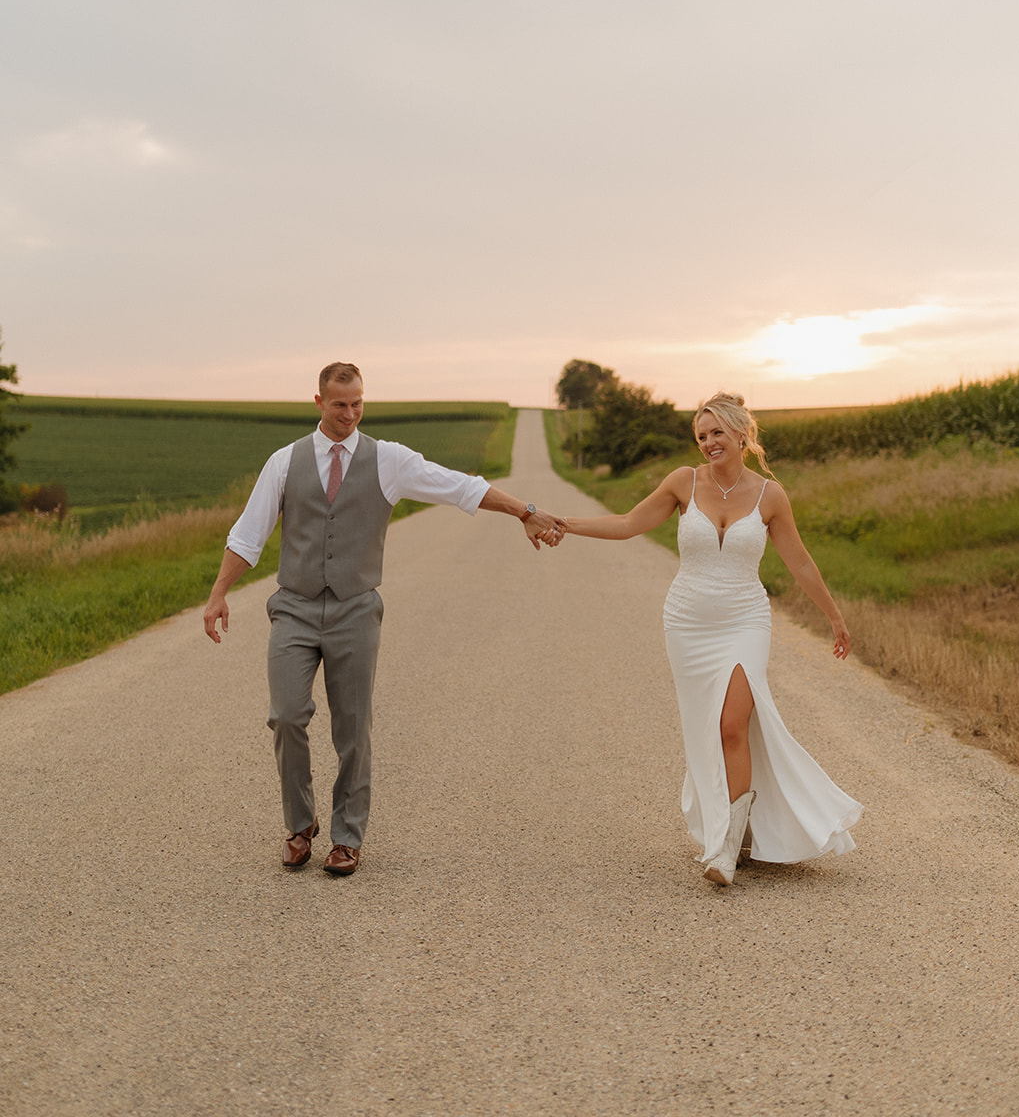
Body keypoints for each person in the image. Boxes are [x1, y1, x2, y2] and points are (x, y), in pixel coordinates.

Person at [203, 363, 565, 875]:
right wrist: (218, 592)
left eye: (358, 403)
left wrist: (523, 511)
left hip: (355, 609)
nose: (350, 414)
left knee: (353, 728)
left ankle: (347, 838)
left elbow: (459, 486)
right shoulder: (284, 462)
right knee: (285, 715)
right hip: (295, 608)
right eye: (339, 404)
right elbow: (248, 534)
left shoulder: (388, 460)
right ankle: (300, 825)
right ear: (319, 402)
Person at [559, 391, 862, 885]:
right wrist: (565, 524)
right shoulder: (684, 482)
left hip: (745, 620)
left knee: (732, 725)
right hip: (687, 623)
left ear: (742, 434)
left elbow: (801, 562)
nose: (708, 442)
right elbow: (630, 523)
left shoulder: (770, 496)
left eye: (717, 432)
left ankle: (724, 850)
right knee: (706, 730)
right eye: (701, 435)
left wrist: (835, 617)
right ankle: (735, 834)